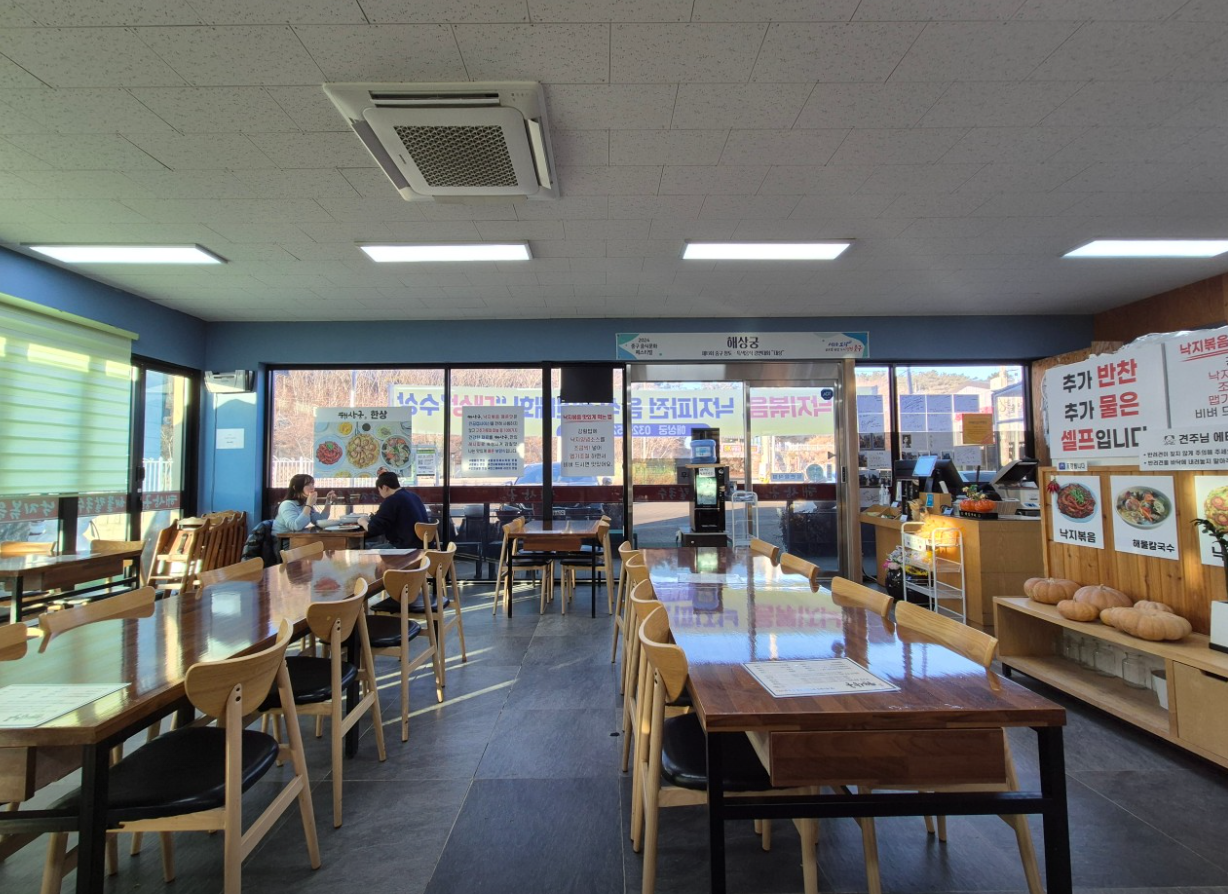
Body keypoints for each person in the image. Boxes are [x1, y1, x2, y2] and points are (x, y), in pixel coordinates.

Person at [358, 471, 430, 549]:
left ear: (385, 487)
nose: (380, 494)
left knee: (367, 550)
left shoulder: (392, 500)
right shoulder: (413, 496)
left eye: (379, 490)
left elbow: (374, 529)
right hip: (423, 545)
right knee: (371, 546)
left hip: (405, 547)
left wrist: (362, 521)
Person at [272, 474, 338, 535]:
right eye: (307, 484)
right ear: (296, 488)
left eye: (312, 484)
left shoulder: (304, 503)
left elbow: (320, 520)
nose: (312, 487)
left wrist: (328, 501)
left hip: (298, 538)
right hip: (284, 540)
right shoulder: (287, 504)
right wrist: (309, 505)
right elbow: (296, 526)